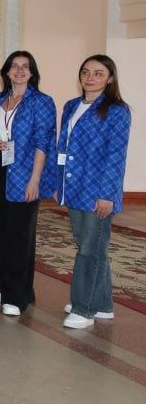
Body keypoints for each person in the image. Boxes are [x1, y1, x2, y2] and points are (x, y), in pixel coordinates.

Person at [47, 55, 132, 330]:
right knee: (89, 244)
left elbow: (116, 155)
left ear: (110, 78)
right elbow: (63, 147)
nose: (90, 77)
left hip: (98, 190)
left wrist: (107, 194)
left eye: (98, 73)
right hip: (74, 187)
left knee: (89, 251)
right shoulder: (71, 105)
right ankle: (103, 305)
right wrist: (58, 183)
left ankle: (84, 309)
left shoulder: (117, 110)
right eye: (86, 72)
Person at [0, 50, 56, 317]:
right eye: (14, 66)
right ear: (6, 71)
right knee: (1, 231)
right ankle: (12, 287)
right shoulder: (0, 98)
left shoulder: (41, 101)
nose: (19, 70)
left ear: (32, 72)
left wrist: (35, 180)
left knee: (19, 234)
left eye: (25, 66)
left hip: (26, 173)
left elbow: (43, 142)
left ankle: (16, 297)